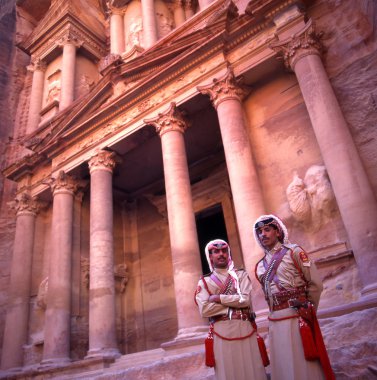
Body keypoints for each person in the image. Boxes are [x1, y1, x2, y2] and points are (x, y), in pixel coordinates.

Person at [253, 214, 335, 380]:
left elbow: (315, 285)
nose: (263, 234)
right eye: (260, 232)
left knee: (305, 363)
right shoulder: (260, 266)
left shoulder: (295, 252)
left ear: (277, 232)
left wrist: (308, 310)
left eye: (267, 229)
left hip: (298, 317)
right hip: (275, 319)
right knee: (283, 364)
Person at [195, 239, 267, 380]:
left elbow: (245, 299)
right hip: (222, 332)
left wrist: (218, 298)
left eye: (224, 251)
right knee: (228, 373)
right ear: (210, 257)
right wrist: (234, 303)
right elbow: (205, 310)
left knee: (253, 371)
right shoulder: (204, 282)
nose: (221, 254)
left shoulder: (240, 275)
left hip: (245, 328)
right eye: (216, 252)